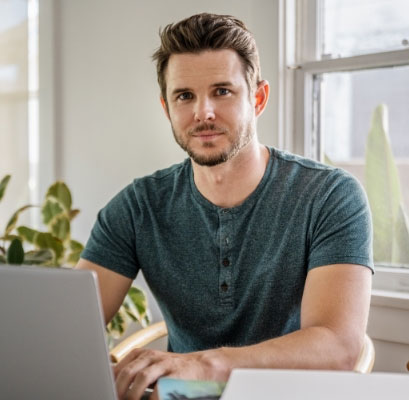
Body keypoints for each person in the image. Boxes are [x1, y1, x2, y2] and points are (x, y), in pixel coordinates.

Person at [76, 13, 373, 400]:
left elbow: (337, 347)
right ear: (167, 107)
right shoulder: (137, 207)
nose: (204, 113)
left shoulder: (330, 196)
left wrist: (204, 364)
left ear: (258, 98)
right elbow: (67, 334)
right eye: (185, 96)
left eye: (222, 91)